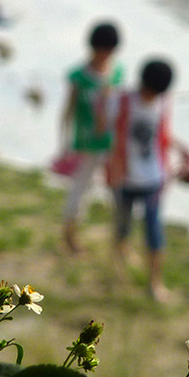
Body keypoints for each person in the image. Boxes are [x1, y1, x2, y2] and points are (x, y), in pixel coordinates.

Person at [102, 58, 189, 301]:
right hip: (124, 179)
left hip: (153, 179)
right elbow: (105, 132)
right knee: (122, 226)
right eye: (148, 92)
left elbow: (162, 133)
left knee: (154, 231)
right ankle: (119, 270)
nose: (150, 97)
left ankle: (154, 284)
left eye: (155, 94)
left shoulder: (162, 102)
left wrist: (182, 149)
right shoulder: (121, 101)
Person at [56, 21, 124, 254]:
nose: (105, 56)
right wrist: (64, 144)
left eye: (109, 52)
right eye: (102, 50)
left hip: (111, 144)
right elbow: (68, 110)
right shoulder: (78, 77)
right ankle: (69, 235)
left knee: (116, 191)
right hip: (85, 144)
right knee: (80, 191)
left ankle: (120, 242)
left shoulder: (117, 73)